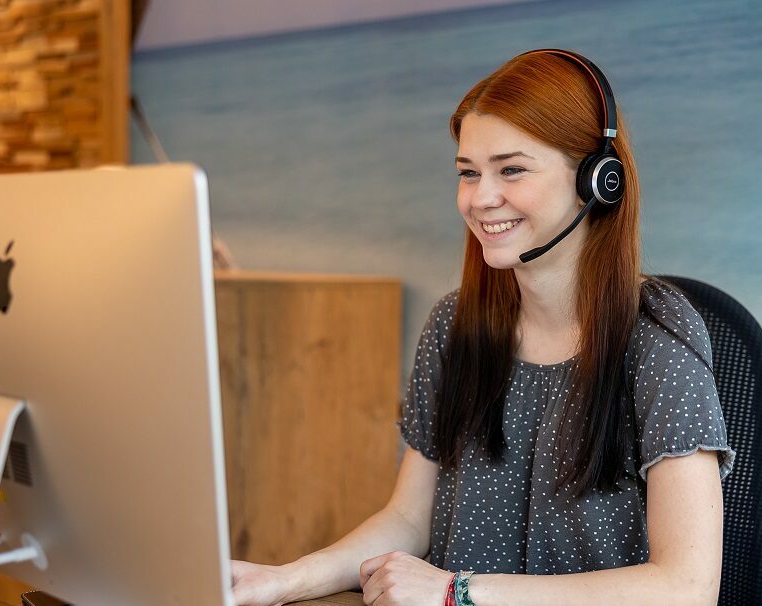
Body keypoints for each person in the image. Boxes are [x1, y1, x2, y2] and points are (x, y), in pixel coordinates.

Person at [230, 48, 735, 606]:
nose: (480, 199)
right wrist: (285, 579)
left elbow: (686, 587)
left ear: (598, 181)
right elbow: (407, 518)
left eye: (511, 169)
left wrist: (458, 593)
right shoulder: (455, 325)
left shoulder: (654, 333)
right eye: (468, 173)